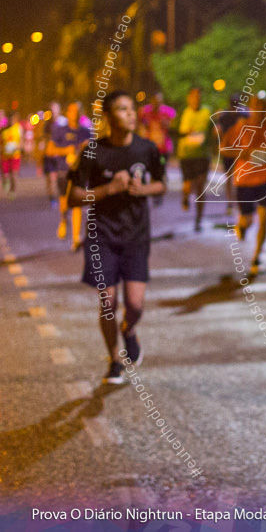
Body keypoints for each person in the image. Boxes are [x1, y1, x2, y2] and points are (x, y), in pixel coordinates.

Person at [68, 90, 166, 384]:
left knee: (135, 305)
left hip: (136, 235)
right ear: (109, 117)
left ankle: (129, 330)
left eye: (132, 109)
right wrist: (106, 190)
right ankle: (114, 359)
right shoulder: (92, 151)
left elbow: (161, 184)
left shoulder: (147, 148)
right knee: (108, 301)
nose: (131, 114)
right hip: (102, 237)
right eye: (123, 110)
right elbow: (71, 197)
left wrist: (142, 190)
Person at [222, 98, 266, 275]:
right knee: (248, 220)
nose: (259, 112)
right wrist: (242, 153)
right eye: (256, 108)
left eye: (263, 108)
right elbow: (224, 149)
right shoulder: (241, 126)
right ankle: (242, 226)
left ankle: (257, 256)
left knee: (264, 218)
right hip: (244, 181)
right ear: (251, 109)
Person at [47, 102, 92, 250]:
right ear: (68, 113)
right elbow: (50, 150)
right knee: (64, 203)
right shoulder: (60, 130)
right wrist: (66, 150)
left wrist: (86, 149)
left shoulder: (86, 131)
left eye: (78, 111)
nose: (75, 114)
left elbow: (93, 154)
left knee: (77, 204)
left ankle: (75, 238)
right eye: (72, 111)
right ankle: (63, 221)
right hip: (63, 171)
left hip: (79, 173)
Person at [178, 87, 212, 231]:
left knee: (200, 187)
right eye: (193, 96)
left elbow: (212, 130)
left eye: (198, 96)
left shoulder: (207, 112)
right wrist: (188, 132)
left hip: (203, 155)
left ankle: (199, 219)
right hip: (186, 154)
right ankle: (185, 197)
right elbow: (178, 131)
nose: (196, 99)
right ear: (188, 98)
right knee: (188, 185)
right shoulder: (184, 113)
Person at [214, 94, 248, 214]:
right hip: (228, 152)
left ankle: (239, 201)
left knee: (239, 176)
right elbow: (219, 132)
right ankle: (230, 202)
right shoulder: (224, 116)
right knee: (229, 176)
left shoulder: (244, 115)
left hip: (241, 151)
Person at [138, 92, 175, 158]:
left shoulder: (168, 112)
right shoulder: (145, 111)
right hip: (149, 148)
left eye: (159, 101)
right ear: (151, 101)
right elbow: (139, 125)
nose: (156, 104)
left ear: (162, 102)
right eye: (155, 101)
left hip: (163, 149)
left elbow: (174, 127)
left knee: (161, 165)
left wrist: (168, 124)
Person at [41, 101, 65, 207]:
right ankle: (52, 198)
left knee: (61, 178)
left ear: (59, 110)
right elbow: (44, 139)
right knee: (50, 179)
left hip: (61, 156)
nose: (53, 112)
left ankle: (62, 196)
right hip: (49, 156)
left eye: (55, 109)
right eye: (51, 110)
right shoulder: (47, 124)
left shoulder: (64, 122)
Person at [1, 110, 23, 198]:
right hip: (5, 156)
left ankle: (13, 190)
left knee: (13, 175)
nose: (11, 121)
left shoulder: (18, 128)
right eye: (10, 119)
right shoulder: (3, 130)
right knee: (5, 175)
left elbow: (22, 142)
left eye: (13, 119)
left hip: (15, 155)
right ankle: (5, 182)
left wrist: (17, 147)